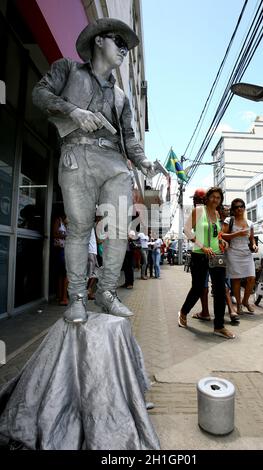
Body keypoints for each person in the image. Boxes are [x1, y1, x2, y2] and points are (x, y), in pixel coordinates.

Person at [32, 18, 156, 323]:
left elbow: (128, 135)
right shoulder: (68, 69)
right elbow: (40, 93)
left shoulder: (121, 96)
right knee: (79, 227)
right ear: (99, 41)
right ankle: (76, 297)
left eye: (128, 47)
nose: (125, 50)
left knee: (117, 230)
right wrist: (72, 110)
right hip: (77, 153)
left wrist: (144, 161)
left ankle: (106, 291)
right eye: (120, 42)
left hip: (114, 163)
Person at [178, 187, 235, 339]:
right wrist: (202, 246)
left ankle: (219, 326)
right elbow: (187, 230)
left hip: (216, 256)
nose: (215, 199)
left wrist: (222, 241)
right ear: (208, 197)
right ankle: (183, 312)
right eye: (213, 196)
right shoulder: (199, 211)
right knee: (197, 288)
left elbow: (217, 235)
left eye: (218, 197)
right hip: (199, 255)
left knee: (220, 290)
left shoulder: (217, 214)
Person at [222, 198, 258, 315]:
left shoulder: (250, 223)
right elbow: (222, 235)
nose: (239, 209)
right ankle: (238, 304)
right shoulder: (229, 220)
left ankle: (245, 301)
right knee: (236, 279)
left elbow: (251, 239)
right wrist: (237, 233)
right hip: (233, 252)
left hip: (246, 253)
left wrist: (254, 245)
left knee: (251, 278)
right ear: (233, 209)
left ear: (244, 208)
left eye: (241, 206)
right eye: (236, 207)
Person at [190, 188, 211, 321]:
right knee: (212, 284)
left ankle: (204, 312)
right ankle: (206, 311)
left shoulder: (198, 211)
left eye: (195, 199)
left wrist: (201, 246)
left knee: (199, 285)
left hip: (201, 254)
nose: (194, 201)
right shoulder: (211, 212)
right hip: (213, 252)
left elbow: (189, 233)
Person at [52, 210, 68, 306]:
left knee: (63, 274)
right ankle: (63, 297)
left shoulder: (66, 224)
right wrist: (66, 235)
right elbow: (54, 233)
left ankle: (61, 295)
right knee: (64, 274)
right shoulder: (58, 221)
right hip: (59, 250)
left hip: (65, 250)